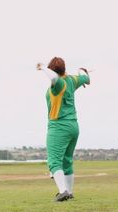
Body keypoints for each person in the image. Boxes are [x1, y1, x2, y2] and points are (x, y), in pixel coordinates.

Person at [37, 57, 91, 202]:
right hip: (73, 126)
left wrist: (42, 68)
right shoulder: (72, 80)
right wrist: (81, 70)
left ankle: (63, 192)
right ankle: (70, 192)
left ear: (52, 69)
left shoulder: (59, 84)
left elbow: (54, 78)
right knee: (67, 161)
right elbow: (86, 78)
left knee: (54, 161)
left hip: (58, 126)